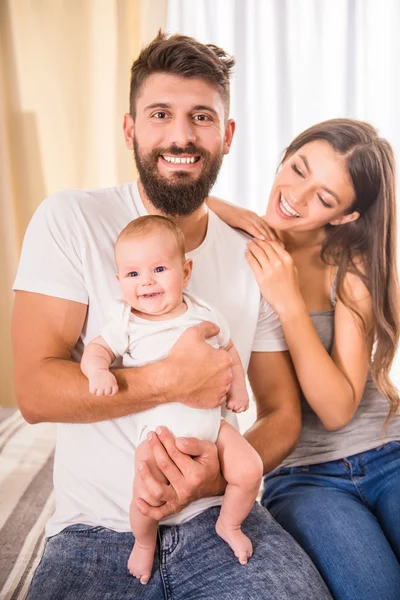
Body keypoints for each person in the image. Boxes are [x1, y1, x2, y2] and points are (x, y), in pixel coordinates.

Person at [12, 32, 332, 599]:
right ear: (130, 128)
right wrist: (171, 379)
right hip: (95, 533)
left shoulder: (249, 251)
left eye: (202, 117)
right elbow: (34, 393)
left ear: (227, 135)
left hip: (221, 520)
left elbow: (282, 411)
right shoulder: (70, 219)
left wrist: (217, 474)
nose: (181, 136)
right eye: (160, 114)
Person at [208, 117, 400, 600]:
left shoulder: (348, 264)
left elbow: (338, 409)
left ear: (345, 217)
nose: (295, 194)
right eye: (297, 168)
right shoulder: (237, 247)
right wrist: (218, 205)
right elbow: (158, 203)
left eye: (325, 198)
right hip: (305, 477)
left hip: (389, 456)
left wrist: (289, 301)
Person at [81, 214, 263, 583]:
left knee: (250, 469)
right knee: (146, 496)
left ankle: (229, 524)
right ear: (119, 282)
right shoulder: (126, 322)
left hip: (213, 428)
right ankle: (144, 544)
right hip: (157, 434)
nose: (146, 280)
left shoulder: (204, 314)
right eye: (132, 274)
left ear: (186, 270)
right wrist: (98, 371)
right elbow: (96, 349)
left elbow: (228, 350)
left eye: (159, 268)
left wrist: (239, 388)